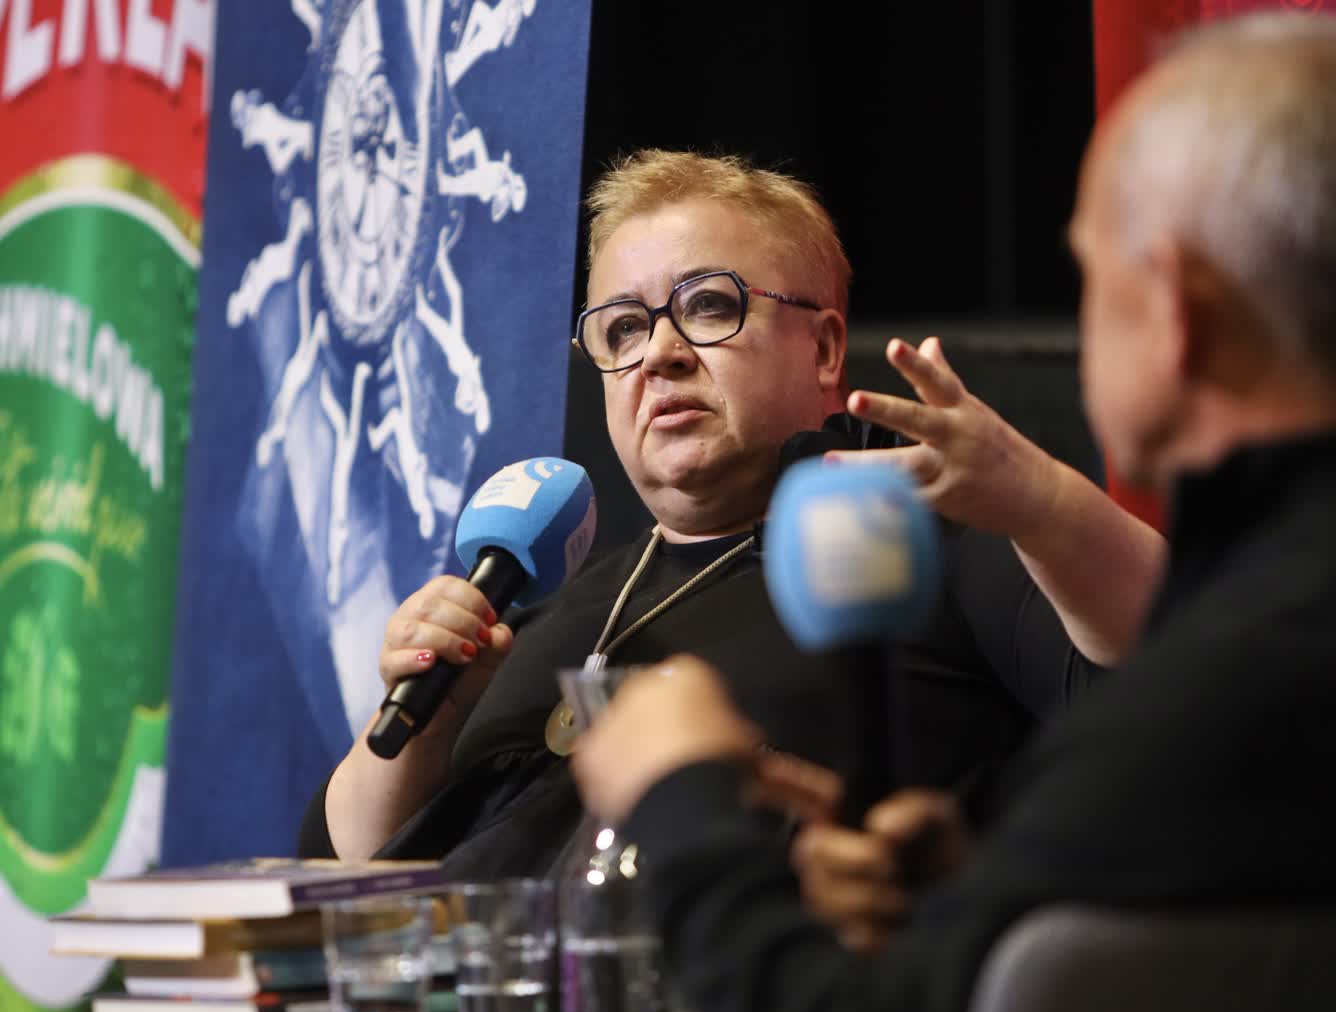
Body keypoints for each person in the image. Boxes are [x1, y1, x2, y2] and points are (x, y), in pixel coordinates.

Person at [572, 13, 1336, 1012]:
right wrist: (969, 887)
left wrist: (682, 795)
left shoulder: (1243, 658)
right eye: (625, 327)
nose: (663, 352)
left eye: (1089, 276)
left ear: (1173, 312)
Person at [298, 149, 1159, 878]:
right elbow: (341, 868)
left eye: (708, 305)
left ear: (823, 347)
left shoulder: (918, 539)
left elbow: (1176, 659)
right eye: (623, 329)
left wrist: (1041, 501)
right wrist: (437, 720)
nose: (659, 353)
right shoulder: (541, 608)